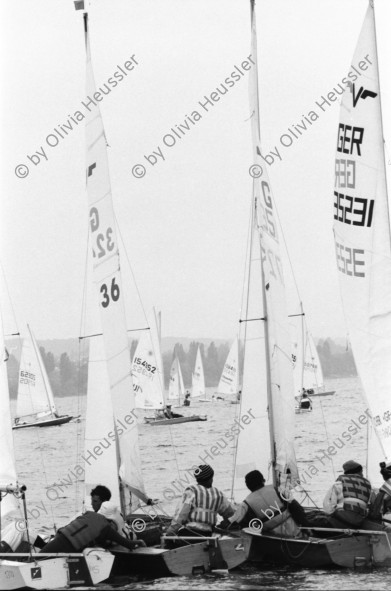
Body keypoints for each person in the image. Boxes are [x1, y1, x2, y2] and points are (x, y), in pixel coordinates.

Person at [165, 464, 235, 540]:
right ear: (211, 478)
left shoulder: (191, 491)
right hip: (207, 535)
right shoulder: (219, 494)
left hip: (189, 534)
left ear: (197, 479)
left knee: (169, 542)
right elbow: (230, 514)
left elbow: (181, 515)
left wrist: (170, 532)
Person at [225, 470, 301, 537]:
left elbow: (231, 522)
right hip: (295, 533)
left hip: (273, 539)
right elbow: (297, 508)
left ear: (248, 486)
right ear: (263, 480)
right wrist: (307, 525)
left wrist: (219, 526)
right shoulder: (278, 490)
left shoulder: (246, 504)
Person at [40, 511, 146, 553]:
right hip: (70, 548)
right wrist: (140, 542)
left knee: (40, 557)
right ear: (112, 522)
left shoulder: (89, 513)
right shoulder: (107, 529)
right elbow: (128, 544)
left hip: (60, 537)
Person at [323, 460, 372, 527]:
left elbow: (328, 508)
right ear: (359, 471)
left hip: (343, 519)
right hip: (359, 521)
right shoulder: (368, 484)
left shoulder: (339, 483)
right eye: (361, 472)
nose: (362, 474)